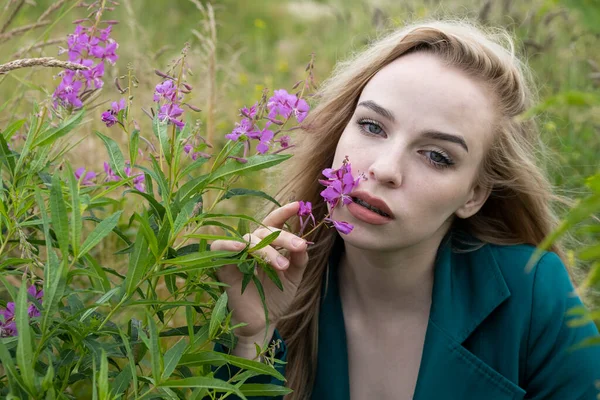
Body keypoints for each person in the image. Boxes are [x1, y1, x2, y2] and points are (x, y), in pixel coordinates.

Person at [210, 19, 600, 400]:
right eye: (372, 127)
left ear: (473, 195)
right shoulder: (263, 282)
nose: (385, 169)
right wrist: (254, 340)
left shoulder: (534, 294)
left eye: (436, 156)